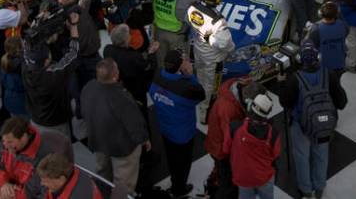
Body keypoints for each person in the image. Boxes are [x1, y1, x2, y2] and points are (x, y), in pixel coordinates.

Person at [279, 41, 347, 199]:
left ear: (300, 59)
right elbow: (342, 102)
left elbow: (284, 102)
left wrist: (281, 83)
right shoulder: (328, 74)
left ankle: (306, 190)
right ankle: (320, 187)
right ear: (317, 57)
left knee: (302, 156)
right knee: (321, 154)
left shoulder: (295, 79)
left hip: (300, 125)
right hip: (323, 124)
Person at [79, 58, 149, 198]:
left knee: (103, 172)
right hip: (121, 148)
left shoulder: (88, 87)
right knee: (123, 181)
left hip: (98, 140)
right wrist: (144, 139)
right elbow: (134, 125)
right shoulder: (121, 97)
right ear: (116, 75)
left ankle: (102, 193)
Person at [149, 49, 205, 198]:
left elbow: (152, 93)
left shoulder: (157, 76)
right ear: (180, 66)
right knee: (183, 164)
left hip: (165, 128)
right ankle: (179, 189)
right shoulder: (186, 87)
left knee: (172, 160)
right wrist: (190, 76)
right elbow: (201, 95)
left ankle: (175, 182)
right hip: (183, 134)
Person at [23, 12, 80, 140]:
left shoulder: (26, 67)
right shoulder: (51, 77)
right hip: (55, 123)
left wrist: (38, 20)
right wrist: (74, 25)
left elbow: (27, 45)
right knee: (61, 153)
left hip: (36, 119)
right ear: (46, 60)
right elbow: (73, 55)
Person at [0, 116, 73, 199]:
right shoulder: (7, 143)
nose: (5, 145)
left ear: (24, 137)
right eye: (3, 141)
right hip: (9, 186)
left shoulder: (43, 159)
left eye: (10, 142)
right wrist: (4, 183)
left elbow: (35, 192)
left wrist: (8, 193)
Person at [206, 78, 264, 199]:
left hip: (219, 143)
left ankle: (215, 182)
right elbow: (229, 141)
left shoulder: (242, 85)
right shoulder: (228, 109)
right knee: (228, 184)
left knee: (222, 173)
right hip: (221, 149)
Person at [187, 0, 235, 123]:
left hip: (197, 51)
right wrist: (230, 48)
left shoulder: (192, 8)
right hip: (212, 58)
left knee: (200, 78)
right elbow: (224, 44)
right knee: (209, 86)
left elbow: (191, 23)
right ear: (217, 0)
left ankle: (198, 101)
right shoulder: (218, 21)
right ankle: (204, 114)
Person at [222, 91, 281, 199]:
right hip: (264, 177)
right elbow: (276, 155)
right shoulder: (274, 134)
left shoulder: (234, 127)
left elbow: (225, 149)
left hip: (242, 176)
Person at [307, 0, 349, 77]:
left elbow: (310, 46)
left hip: (324, 65)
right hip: (339, 62)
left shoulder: (316, 29)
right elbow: (346, 33)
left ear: (320, 13)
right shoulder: (343, 25)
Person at [36, 152, 103, 199]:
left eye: (47, 181)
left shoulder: (75, 195)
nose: (42, 183)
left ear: (61, 179)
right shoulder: (74, 172)